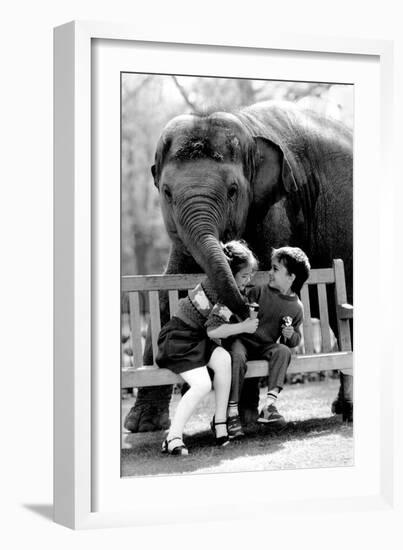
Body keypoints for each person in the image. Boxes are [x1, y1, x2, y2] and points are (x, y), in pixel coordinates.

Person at [156, 240, 259, 456]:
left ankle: (220, 423)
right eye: (244, 276)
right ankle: (173, 437)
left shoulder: (223, 285)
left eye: (251, 275)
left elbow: (209, 330)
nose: (248, 280)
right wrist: (244, 326)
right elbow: (213, 330)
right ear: (229, 274)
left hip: (198, 339)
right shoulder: (223, 292)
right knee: (202, 384)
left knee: (223, 359)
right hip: (180, 339)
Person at [208, 246, 310, 436]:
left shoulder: (296, 307)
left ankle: (269, 406)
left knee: (283, 351)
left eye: (276, 269)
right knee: (236, 357)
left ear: (291, 277)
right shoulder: (258, 292)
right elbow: (237, 311)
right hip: (243, 342)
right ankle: (231, 412)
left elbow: (295, 340)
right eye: (271, 268)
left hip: (265, 346)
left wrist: (289, 335)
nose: (270, 272)